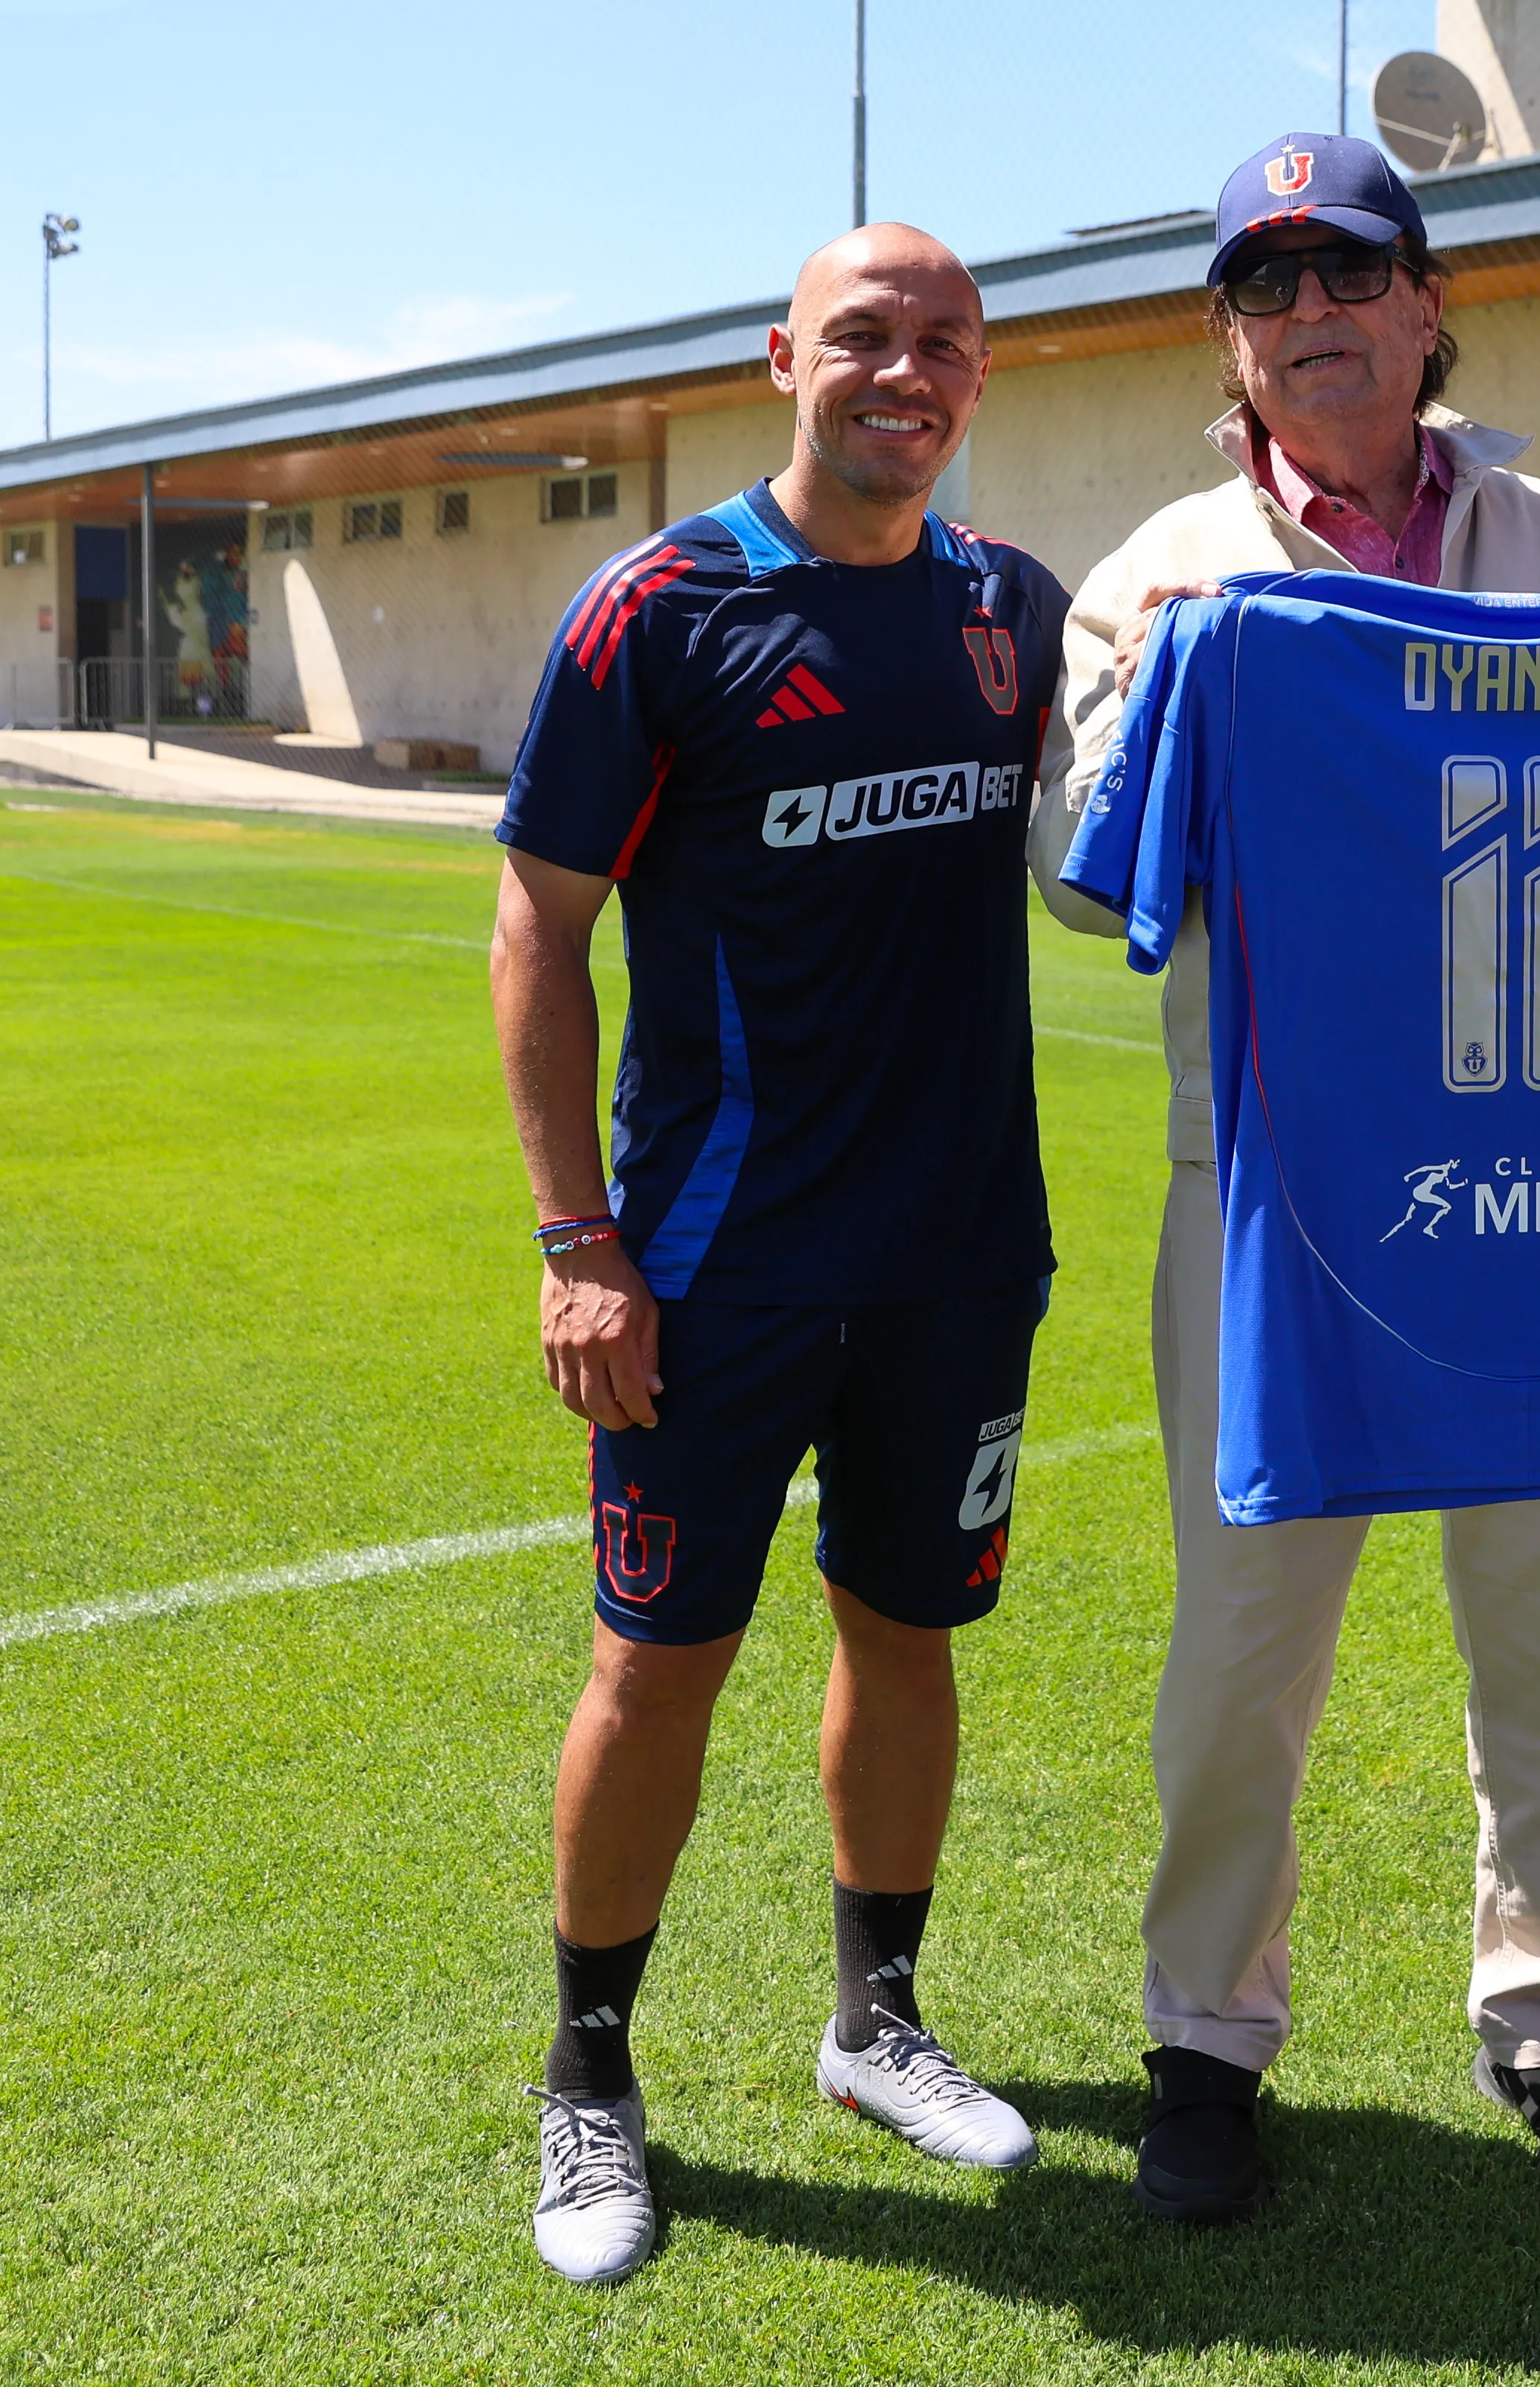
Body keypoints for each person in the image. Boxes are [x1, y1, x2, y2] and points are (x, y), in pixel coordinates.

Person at [1031, 133, 1540, 2224]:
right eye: (1266, 284)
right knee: (1239, 1649)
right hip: (1275, 1193)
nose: (1311, 312)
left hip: (1530, 1169)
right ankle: (1207, 2030)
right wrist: (1185, 694)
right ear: (1232, 332)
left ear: (1421, 299)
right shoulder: (1159, 571)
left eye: (1349, 271)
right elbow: (1071, 873)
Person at [490, 223, 1069, 2286]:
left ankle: (875, 2015)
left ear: (980, 376)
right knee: (656, 1669)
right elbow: (541, 927)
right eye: (862, 339)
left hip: (960, 1255)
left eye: (941, 342)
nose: (901, 372)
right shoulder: (659, 607)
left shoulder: (1015, 612)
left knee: (906, 1633)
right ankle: (587, 2075)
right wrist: (580, 1239)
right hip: (714, 1269)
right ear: (784, 361)